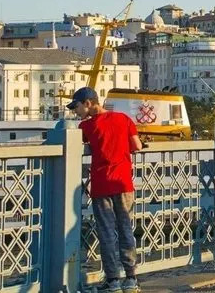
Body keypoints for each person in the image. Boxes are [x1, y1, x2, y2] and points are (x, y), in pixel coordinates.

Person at [67, 87, 143, 293]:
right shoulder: (123, 119)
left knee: (107, 233)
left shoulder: (87, 126)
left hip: (102, 185)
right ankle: (131, 278)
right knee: (126, 229)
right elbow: (136, 146)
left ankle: (113, 281)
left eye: (77, 107)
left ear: (88, 103)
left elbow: (76, 142)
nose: (76, 112)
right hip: (123, 183)